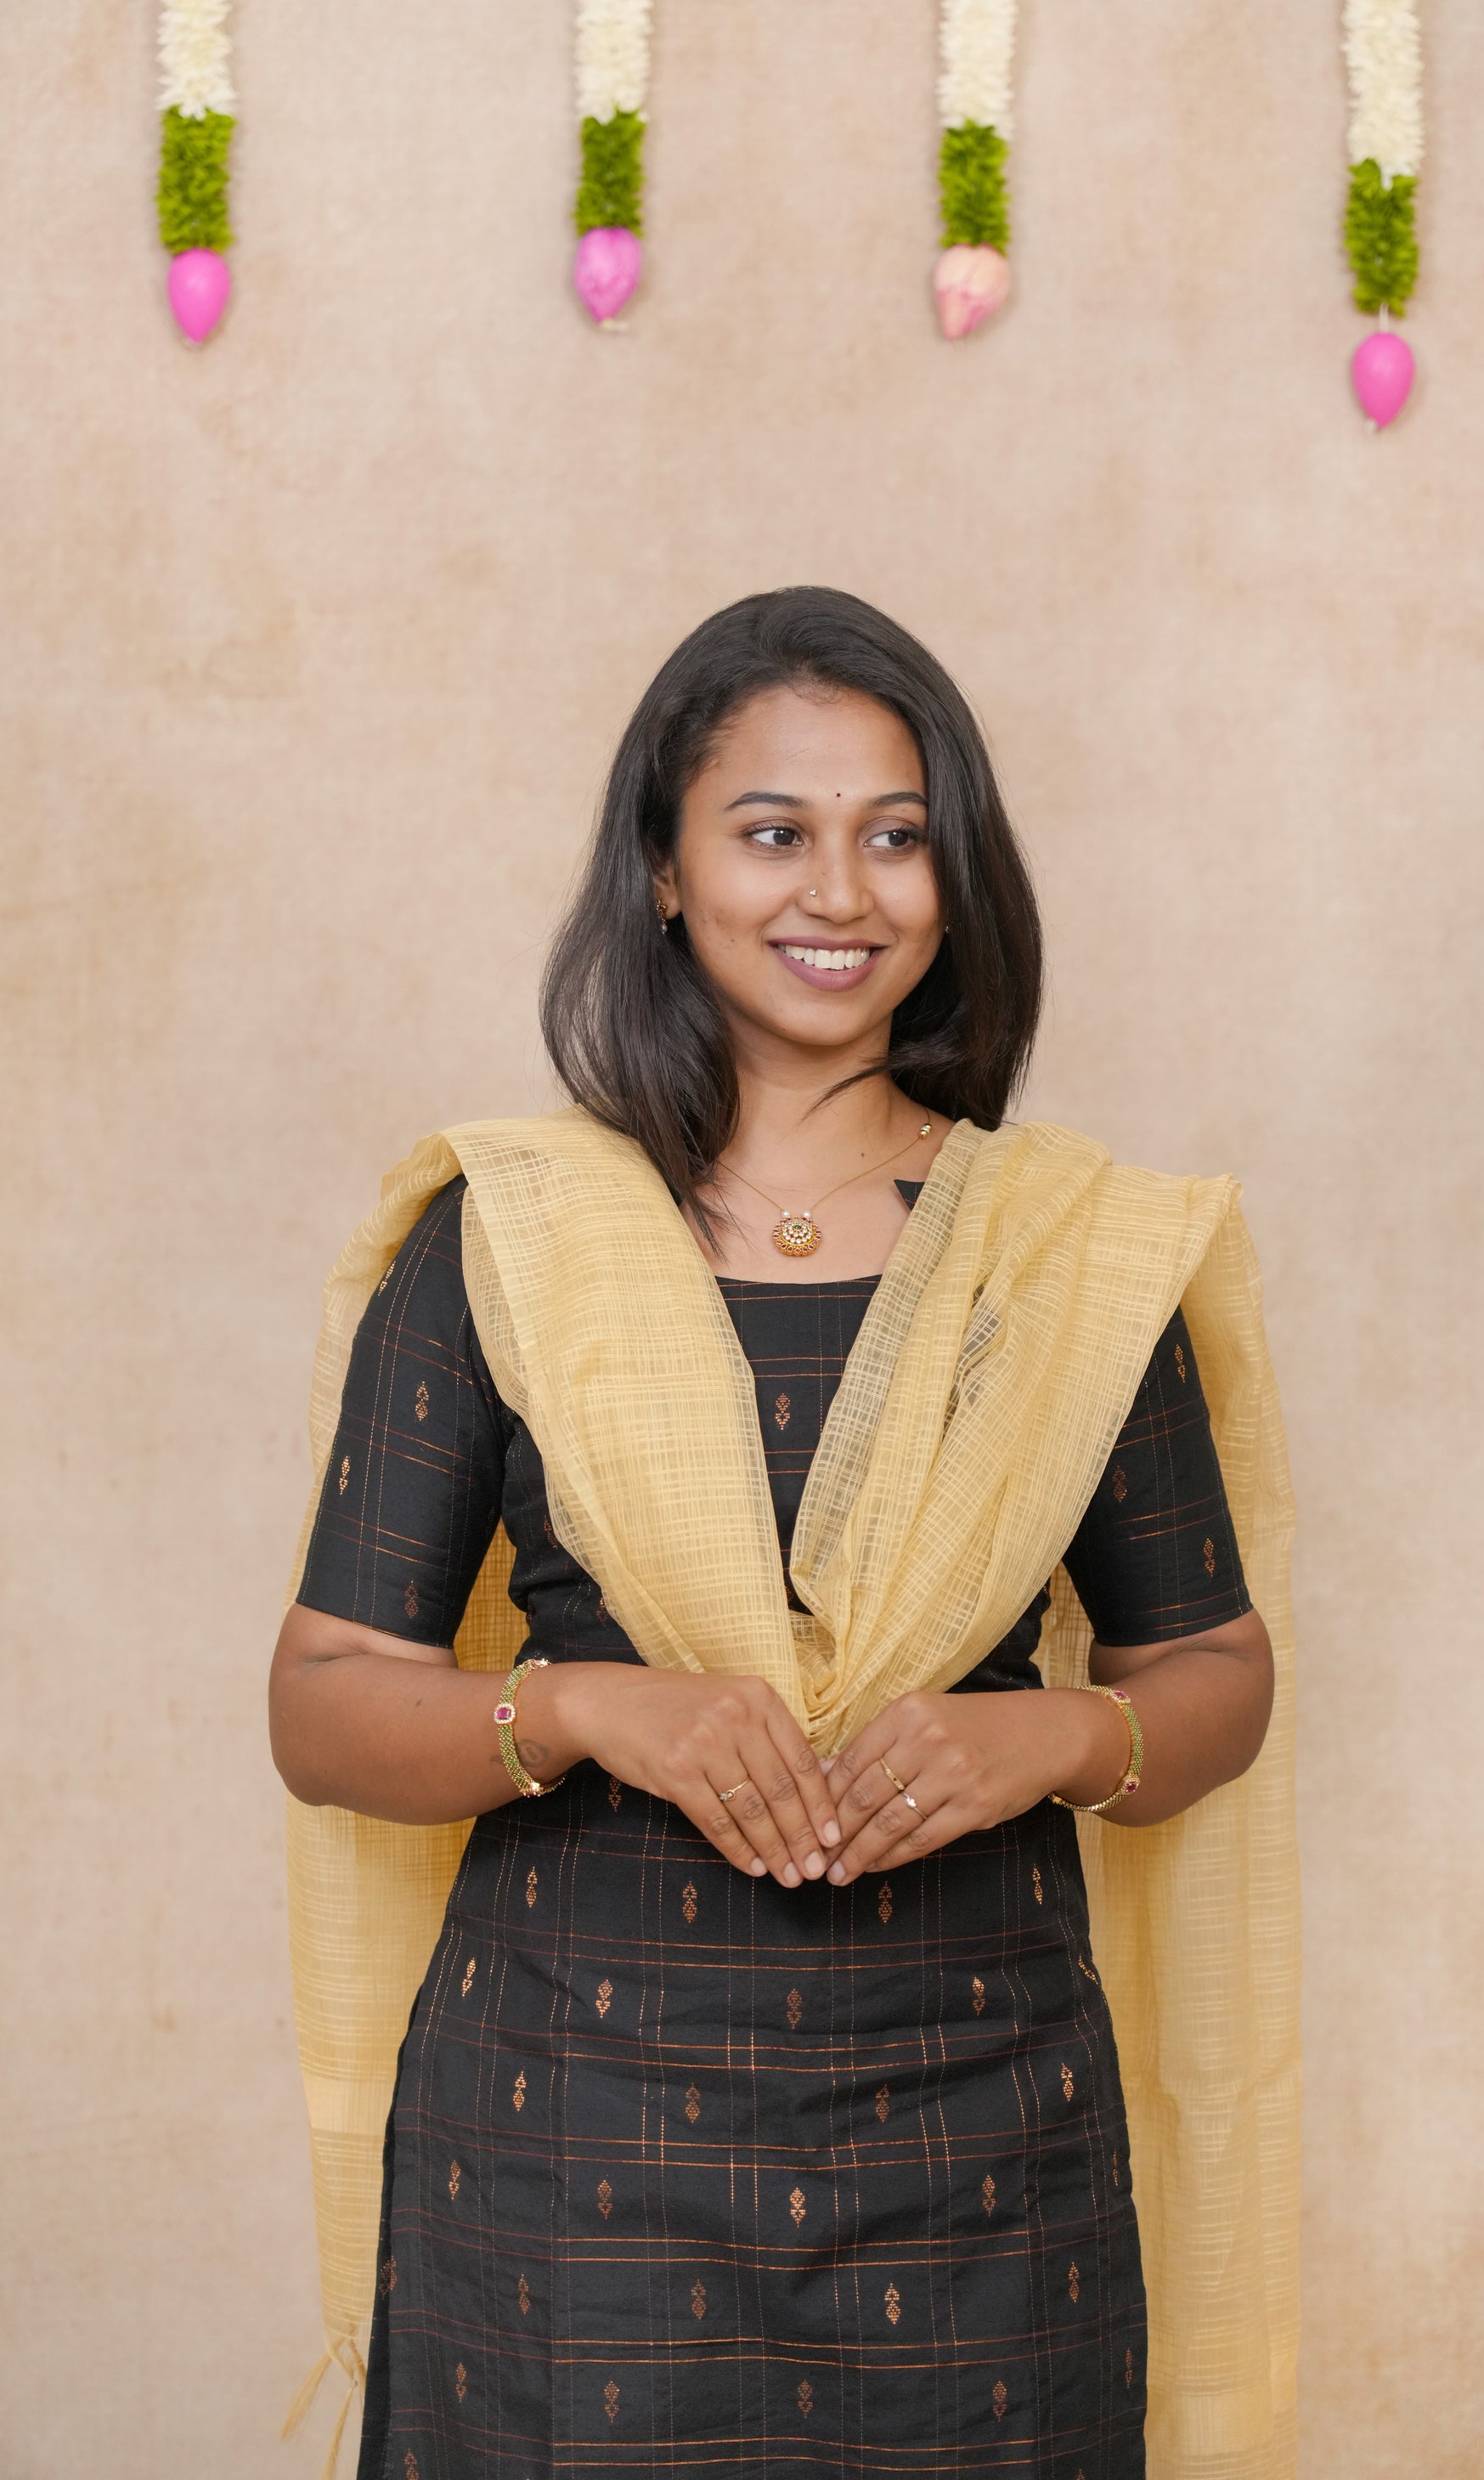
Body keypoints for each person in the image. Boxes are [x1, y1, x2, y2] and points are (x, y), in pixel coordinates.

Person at [270, 586, 1284, 2480]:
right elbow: (325, 1701)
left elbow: (1212, 1668)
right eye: (772, 831)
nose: (841, 891)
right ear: (663, 870)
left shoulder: (1061, 1255)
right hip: (571, 2142)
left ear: (957, 878)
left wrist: (1058, 1733)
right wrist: (586, 1706)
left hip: (984, 2147)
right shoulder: (511, 1234)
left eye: (897, 835)